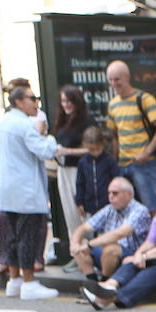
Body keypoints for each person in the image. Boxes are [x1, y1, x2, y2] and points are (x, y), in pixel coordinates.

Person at [0, 86, 65, 299]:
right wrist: (50, 139)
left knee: (11, 236)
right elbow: (45, 150)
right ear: (19, 102)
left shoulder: (2, 122)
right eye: (32, 98)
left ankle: (15, 280)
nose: (36, 103)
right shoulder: (25, 124)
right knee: (27, 235)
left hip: (6, 188)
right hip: (25, 190)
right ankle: (29, 282)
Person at [80, 178, 156, 309]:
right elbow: (150, 241)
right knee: (131, 263)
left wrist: (144, 256)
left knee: (146, 275)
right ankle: (109, 285)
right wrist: (138, 254)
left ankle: (105, 299)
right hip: (155, 256)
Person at [105, 60, 156, 211]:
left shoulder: (144, 99)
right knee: (123, 208)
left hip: (143, 163)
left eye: (117, 79)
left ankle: (155, 234)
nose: (114, 84)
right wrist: (114, 160)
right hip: (122, 163)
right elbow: (115, 135)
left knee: (151, 206)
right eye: (110, 80)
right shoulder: (113, 104)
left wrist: (146, 152)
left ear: (127, 77)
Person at [66, 176, 151, 280]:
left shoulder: (140, 210)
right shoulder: (109, 209)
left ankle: (104, 281)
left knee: (110, 249)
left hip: (133, 253)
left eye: (115, 193)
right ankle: (92, 280)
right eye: (109, 193)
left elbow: (120, 233)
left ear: (128, 194)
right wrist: (74, 244)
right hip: (106, 252)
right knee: (80, 244)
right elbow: (83, 228)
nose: (111, 197)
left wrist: (90, 244)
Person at [51, 84, 97, 234]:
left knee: (83, 211)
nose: (66, 104)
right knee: (70, 214)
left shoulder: (87, 122)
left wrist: (68, 151)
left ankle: (89, 248)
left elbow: (94, 149)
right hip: (63, 171)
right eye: (63, 101)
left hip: (80, 171)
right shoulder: (62, 121)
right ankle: (76, 248)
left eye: (70, 101)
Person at [74, 127, 117, 219]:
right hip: (90, 205)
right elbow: (80, 183)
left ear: (103, 144)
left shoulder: (109, 160)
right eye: (91, 150)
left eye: (98, 149)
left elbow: (116, 179)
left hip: (108, 203)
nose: (95, 153)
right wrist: (79, 202)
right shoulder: (83, 162)